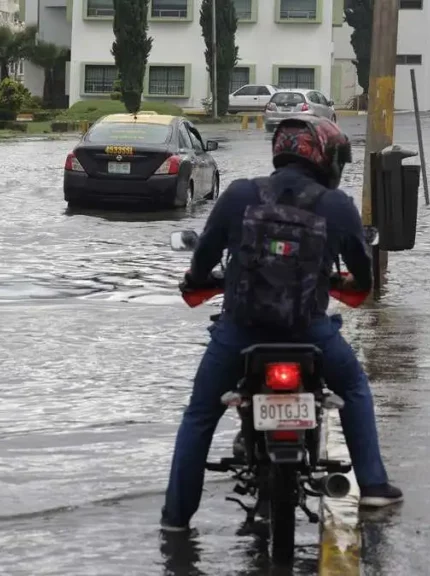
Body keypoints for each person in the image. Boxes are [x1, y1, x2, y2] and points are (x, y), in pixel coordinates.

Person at [160, 116, 403, 532]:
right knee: (355, 388)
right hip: (310, 331)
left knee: (200, 415)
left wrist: (198, 282)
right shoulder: (336, 205)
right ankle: (375, 484)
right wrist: (346, 281)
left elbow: (202, 261)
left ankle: (176, 519)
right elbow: (364, 277)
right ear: (325, 158)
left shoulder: (239, 194)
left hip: (240, 333)